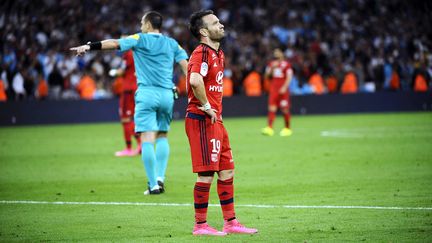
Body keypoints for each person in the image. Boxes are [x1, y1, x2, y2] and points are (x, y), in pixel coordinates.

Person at [70, 11, 188, 195]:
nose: (141, 26)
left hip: (147, 93)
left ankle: (153, 185)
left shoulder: (139, 38)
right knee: (163, 135)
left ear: (148, 24)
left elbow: (115, 43)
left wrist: (89, 46)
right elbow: (186, 66)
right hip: (167, 94)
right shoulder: (172, 43)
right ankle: (160, 178)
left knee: (147, 138)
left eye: (142, 22)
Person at [185, 10, 258, 236]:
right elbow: (195, 81)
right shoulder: (201, 53)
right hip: (201, 119)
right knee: (206, 173)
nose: (221, 25)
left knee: (227, 170)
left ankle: (231, 222)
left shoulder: (219, 54)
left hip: (217, 121)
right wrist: (207, 107)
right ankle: (200, 225)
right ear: (204, 31)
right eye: (215, 23)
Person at [110, 50, 142, 157]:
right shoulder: (137, 53)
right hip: (135, 87)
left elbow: (123, 71)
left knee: (126, 119)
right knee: (131, 118)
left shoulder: (128, 54)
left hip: (128, 89)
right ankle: (137, 145)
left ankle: (134, 146)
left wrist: (114, 72)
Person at [261, 48, 293, 137]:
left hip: (283, 89)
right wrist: (272, 68)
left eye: (278, 52)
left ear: (282, 53)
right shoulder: (271, 64)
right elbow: (266, 76)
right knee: (272, 108)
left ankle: (287, 128)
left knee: (285, 109)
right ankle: (269, 128)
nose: (276, 54)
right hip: (274, 89)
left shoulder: (286, 65)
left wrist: (285, 87)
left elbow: (289, 77)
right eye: (275, 52)